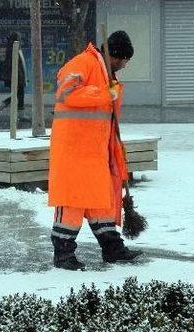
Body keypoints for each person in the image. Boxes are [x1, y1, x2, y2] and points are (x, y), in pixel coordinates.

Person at [48, 30, 142, 271]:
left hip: (95, 150)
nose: (124, 65)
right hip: (73, 149)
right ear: (116, 55)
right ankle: (63, 254)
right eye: (124, 60)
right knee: (72, 202)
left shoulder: (105, 73)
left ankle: (112, 248)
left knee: (99, 200)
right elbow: (66, 92)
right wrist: (104, 94)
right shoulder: (83, 63)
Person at [0, 32, 27, 119]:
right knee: (18, 96)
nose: (20, 40)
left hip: (19, 77)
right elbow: (13, 65)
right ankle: (20, 115)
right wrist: (19, 78)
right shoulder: (13, 49)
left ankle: (0, 107)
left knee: (17, 96)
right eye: (19, 38)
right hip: (17, 77)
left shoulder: (14, 48)